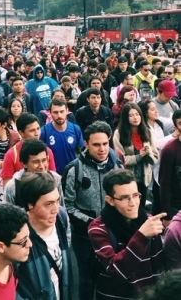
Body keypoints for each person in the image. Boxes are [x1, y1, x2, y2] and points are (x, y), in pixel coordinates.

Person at [64, 121, 122, 300]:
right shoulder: (74, 170)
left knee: (112, 277)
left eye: (105, 143)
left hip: (113, 235)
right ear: (86, 144)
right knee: (87, 281)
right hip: (84, 238)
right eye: (96, 144)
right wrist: (92, 223)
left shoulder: (117, 165)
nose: (102, 149)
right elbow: (67, 206)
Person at [88, 169, 165, 300]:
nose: (133, 203)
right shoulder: (98, 228)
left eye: (136, 195)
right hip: (114, 296)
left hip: (147, 295)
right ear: (110, 200)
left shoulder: (149, 221)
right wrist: (141, 235)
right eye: (124, 198)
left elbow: (159, 268)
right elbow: (116, 271)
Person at [15, 171, 73, 300]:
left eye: (57, 201)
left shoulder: (61, 218)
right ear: (30, 205)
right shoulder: (17, 232)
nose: (56, 209)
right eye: (48, 204)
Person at [113, 103, 158, 207]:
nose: (135, 118)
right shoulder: (119, 133)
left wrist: (148, 152)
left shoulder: (147, 132)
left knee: (141, 207)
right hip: (127, 178)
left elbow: (155, 158)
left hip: (144, 178)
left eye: (137, 114)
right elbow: (119, 159)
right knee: (129, 206)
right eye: (131, 115)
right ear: (125, 117)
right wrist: (138, 157)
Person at [139, 99, 175, 214]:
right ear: (145, 113)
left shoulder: (159, 122)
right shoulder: (144, 128)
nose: (156, 111)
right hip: (152, 165)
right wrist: (174, 135)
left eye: (156, 108)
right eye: (152, 109)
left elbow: (173, 121)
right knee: (158, 196)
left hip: (162, 163)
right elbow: (156, 144)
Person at [1, 112, 56, 187]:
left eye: (38, 129)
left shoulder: (47, 151)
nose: (37, 133)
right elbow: (7, 187)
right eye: (32, 130)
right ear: (21, 133)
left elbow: (53, 179)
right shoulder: (11, 155)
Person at [4, 139, 63, 206]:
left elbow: (61, 209)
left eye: (44, 160)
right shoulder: (13, 187)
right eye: (36, 162)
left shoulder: (55, 179)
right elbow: (7, 215)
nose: (41, 166)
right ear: (24, 163)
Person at [40, 98, 83, 175]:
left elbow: (82, 153)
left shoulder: (75, 129)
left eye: (62, 111)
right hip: (54, 176)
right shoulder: (44, 132)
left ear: (67, 111)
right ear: (50, 113)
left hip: (73, 175)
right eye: (55, 112)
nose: (59, 115)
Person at [158, 109, 181, 227]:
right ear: (176, 127)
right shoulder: (169, 150)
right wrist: (167, 214)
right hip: (176, 206)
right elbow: (164, 183)